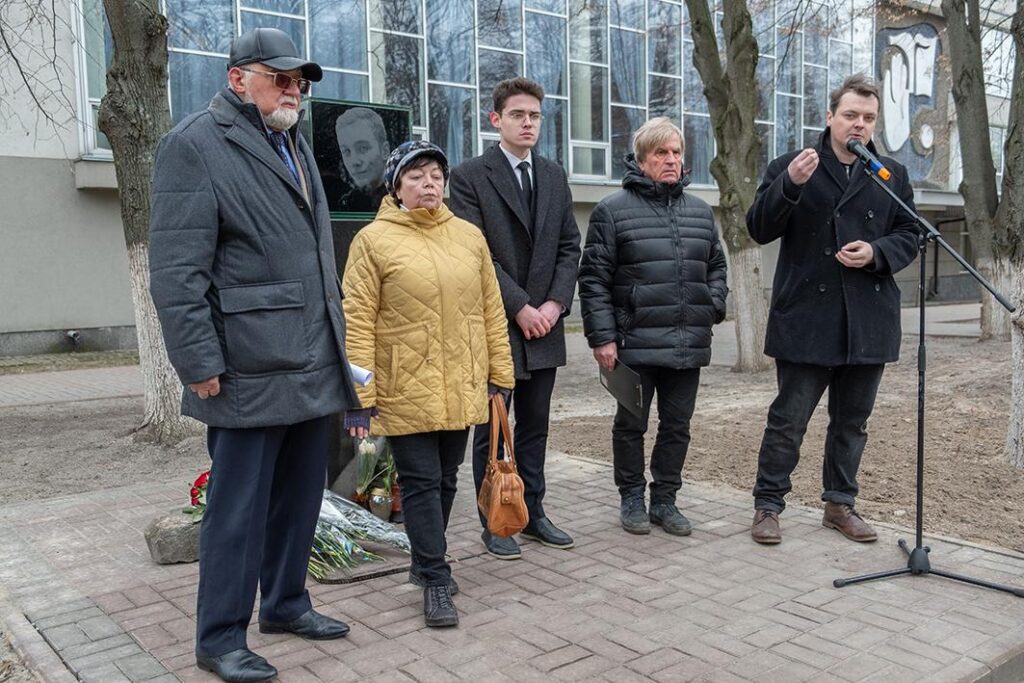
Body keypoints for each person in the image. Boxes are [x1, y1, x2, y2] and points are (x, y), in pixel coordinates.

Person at [148, 28, 359, 683]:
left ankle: (287, 604)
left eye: (300, 82)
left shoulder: (291, 140)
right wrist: (198, 362)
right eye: (281, 78)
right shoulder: (194, 145)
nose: (294, 90)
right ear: (238, 78)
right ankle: (219, 639)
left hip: (310, 359)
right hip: (245, 367)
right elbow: (176, 272)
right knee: (236, 512)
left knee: (299, 497)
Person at [342, 141, 514, 628]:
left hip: (461, 382)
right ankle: (437, 579)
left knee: (446, 478)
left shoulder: (469, 237)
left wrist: (500, 376)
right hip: (404, 385)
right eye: (416, 176)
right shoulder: (372, 241)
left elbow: (491, 312)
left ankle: (423, 560)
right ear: (396, 188)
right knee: (419, 483)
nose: (429, 184)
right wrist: (360, 397)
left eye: (436, 175)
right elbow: (356, 323)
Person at [746, 74, 918, 545]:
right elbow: (758, 228)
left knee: (852, 423)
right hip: (807, 318)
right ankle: (768, 505)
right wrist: (789, 185)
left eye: (868, 117)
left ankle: (839, 504)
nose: (859, 125)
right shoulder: (794, 164)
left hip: (867, 319)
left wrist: (877, 251)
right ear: (830, 117)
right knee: (788, 421)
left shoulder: (890, 174)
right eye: (850, 115)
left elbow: (911, 233)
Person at [448, 77, 581, 561]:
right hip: (498, 324)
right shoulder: (468, 176)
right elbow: (475, 253)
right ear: (496, 119)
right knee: (493, 430)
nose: (528, 123)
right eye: (518, 115)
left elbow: (569, 246)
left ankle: (533, 512)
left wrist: (554, 305)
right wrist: (520, 306)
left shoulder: (553, 175)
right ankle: (495, 521)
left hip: (544, 325)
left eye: (535, 116)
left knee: (535, 426)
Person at [578, 117, 729, 537]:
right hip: (633, 344)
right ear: (641, 160)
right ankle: (631, 498)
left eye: (676, 152)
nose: (671, 160)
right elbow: (593, 280)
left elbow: (717, 267)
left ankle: (665, 500)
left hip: (687, 343)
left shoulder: (700, 212)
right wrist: (602, 337)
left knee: (677, 427)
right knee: (631, 426)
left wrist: (712, 305)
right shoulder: (612, 211)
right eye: (661, 152)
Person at [334, 107, 389, 213]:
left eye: (363, 148)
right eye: (346, 151)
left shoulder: (404, 199)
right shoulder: (346, 204)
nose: (354, 161)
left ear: (384, 151)